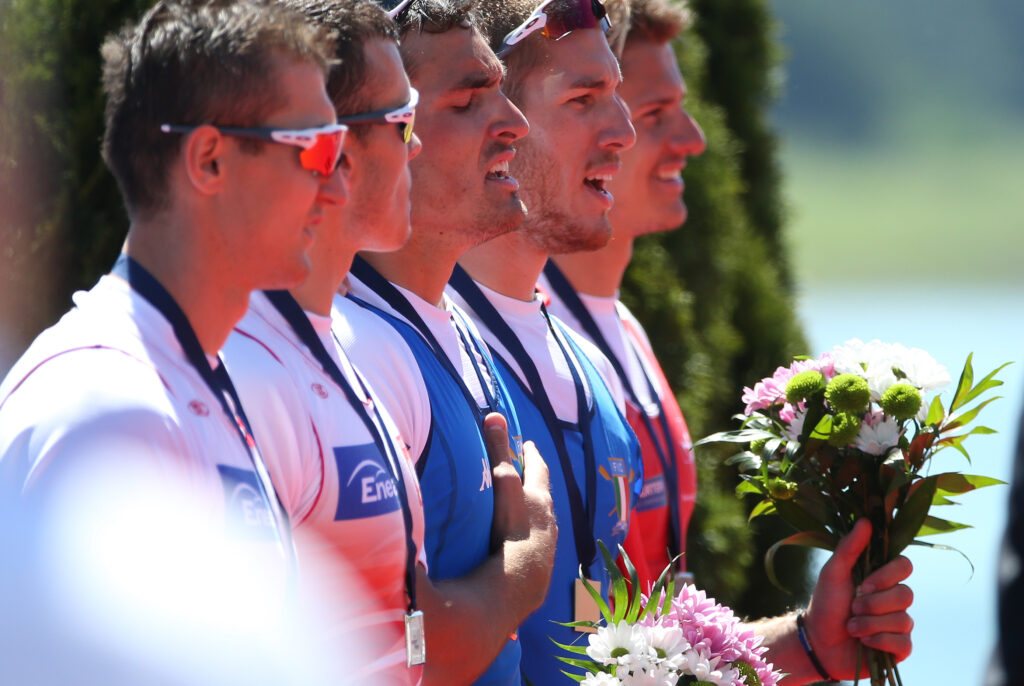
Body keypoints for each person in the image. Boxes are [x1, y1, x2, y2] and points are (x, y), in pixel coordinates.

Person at [528, 1, 917, 683]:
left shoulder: (626, 334)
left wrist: (805, 647)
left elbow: (654, 641)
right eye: (655, 114)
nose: (693, 138)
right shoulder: (526, 343)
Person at [0, 0, 347, 679]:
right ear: (210, 160)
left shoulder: (189, 370)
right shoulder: (103, 407)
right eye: (316, 147)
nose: (336, 186)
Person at [331, 2, 558, 684]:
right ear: (390, 131)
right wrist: (527, 562)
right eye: (468, 102)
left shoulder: (455, 321)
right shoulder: (359, 350)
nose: (515, 125)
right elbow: (387, 658)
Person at [221, 2, 426, 682]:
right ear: (329, 146)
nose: (417, 145)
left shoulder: (348, 340)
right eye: (404, 122)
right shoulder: (244, 369)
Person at [447, 2, 644, 684]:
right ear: (499, 120)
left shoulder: (589, 364)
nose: (624, 132)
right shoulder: (424, 350)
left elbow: (628, 641)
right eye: (584, 99)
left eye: (617, 98)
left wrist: (802, 644)